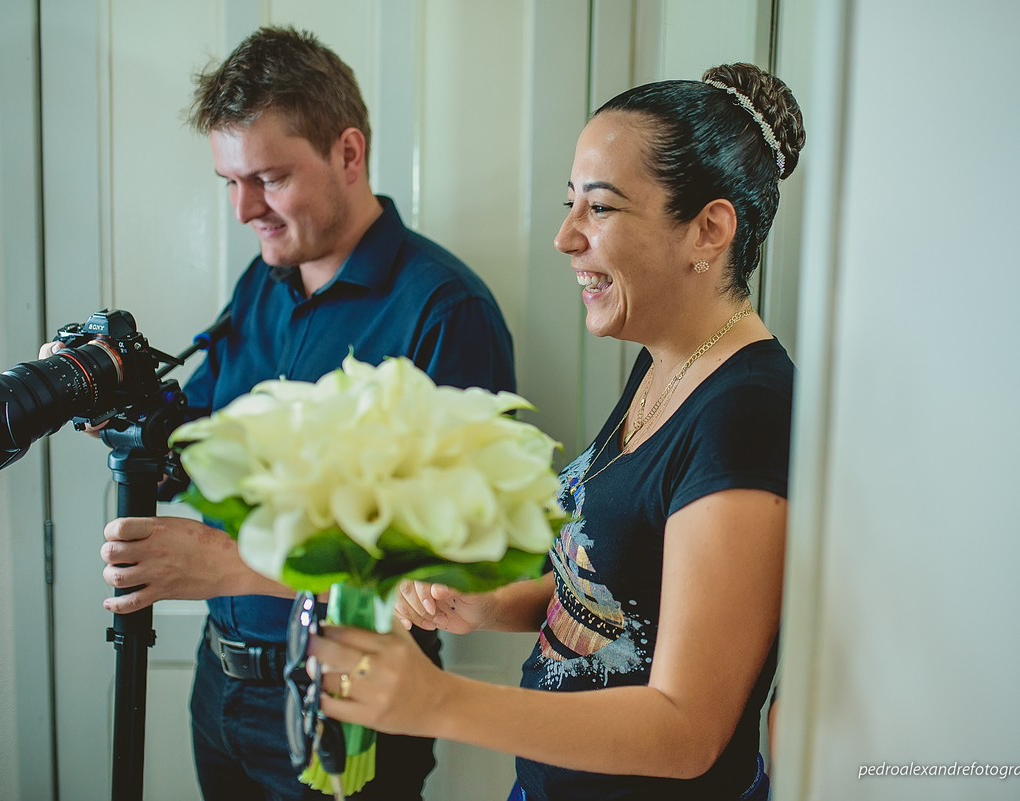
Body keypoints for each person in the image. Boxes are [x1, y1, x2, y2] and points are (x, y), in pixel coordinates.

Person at [307, 63, 805, 801]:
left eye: (598, 209)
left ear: (709, 229)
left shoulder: (745, 414)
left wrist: (437, 699)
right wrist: (488, 603)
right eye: (570, 204)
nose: (564, 236)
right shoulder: (665, 361)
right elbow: (624, 590)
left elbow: (687, 728)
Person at [42, 26, 516, 800]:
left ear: (349, 154)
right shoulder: (265, 281)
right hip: (223, 690)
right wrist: (114, 410)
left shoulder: (445, 311)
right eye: (230, 181)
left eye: (268, 177)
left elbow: (451, 568)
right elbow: (201, 445)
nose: (243, 210)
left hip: (350, 701)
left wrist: (226, 565)